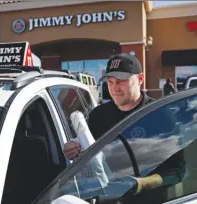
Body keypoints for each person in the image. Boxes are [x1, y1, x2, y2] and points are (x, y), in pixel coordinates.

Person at [63, 53, 185, 195]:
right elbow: (90, 160)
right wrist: (74, 150)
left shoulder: (160, 114)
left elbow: (177, 171)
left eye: (121, 81)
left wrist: (140, 184)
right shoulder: (98, 116)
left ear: (140, 79)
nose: (115, 88)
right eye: (110, 82)